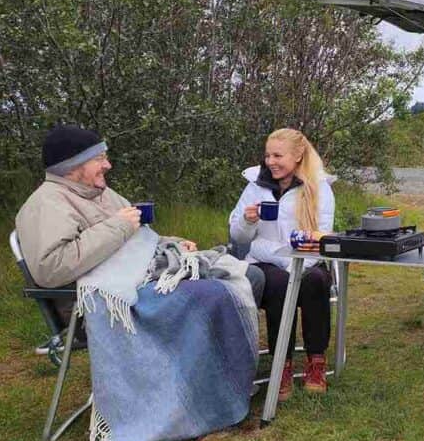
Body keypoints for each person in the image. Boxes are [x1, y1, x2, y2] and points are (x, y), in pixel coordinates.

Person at [15, 124, 265, 327]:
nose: (108, 165)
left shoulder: (100, 193)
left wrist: (172, 244)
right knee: (226, 287)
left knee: (244, 274)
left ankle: (208, 367)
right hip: (102, 300)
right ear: (72, 165)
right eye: (99, 159)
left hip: (138, 281)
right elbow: (50, 268)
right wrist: (118, 226)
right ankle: (202, 372)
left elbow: (136, 238)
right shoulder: (46, 204)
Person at [229, 128, 335, 398]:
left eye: (278, 155)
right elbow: (238, 237)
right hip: (264, 260)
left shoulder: (319, 186)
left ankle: (316, 361)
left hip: (308, 260)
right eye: (267, 155)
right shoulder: (255, 185)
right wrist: (247, 222)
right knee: (277, 282)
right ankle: (281, 365)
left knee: (315, 280)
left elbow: (322, 238)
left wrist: (296, 264)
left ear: (298, 155)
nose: (270, 162)